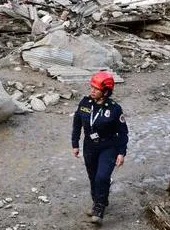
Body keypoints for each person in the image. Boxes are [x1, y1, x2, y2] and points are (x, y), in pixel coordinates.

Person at [71, 71, 129, 225]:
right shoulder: (84, 103)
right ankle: (99, 201)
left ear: (105, 92)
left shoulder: (115, 109)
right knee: (93, 177)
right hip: (89, 146)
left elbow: (123, 133)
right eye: (91, 87)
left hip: (109, 147)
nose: (92, 91)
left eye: (96, 89)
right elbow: (77, 124)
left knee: (102, 177)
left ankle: (99, 209)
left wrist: (122, 153)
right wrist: (75, 144)